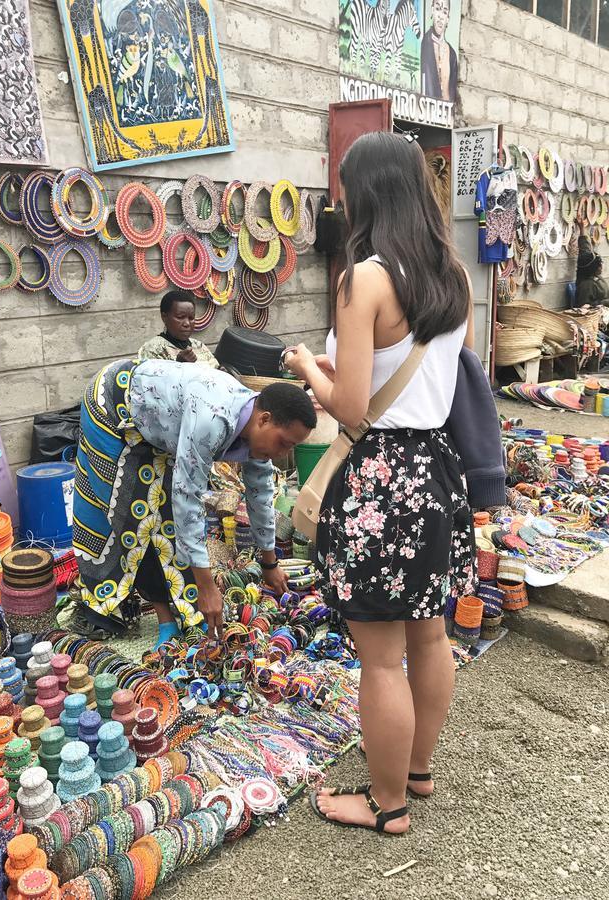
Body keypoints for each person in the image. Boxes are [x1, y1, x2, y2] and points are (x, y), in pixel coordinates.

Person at [285, 131, 476, 835]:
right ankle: (416, 772)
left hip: (379, 484)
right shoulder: (451, 277)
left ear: (364, 192)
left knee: (381, 657)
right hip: (435, 469)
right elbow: (440, 380)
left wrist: (309, 366)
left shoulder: (363, 277)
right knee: (429, 638)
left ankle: (385, 804)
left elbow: (352, 407)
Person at [72, 359, 316, 645]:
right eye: (284, 443)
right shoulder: (211, 421)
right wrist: (207, 586)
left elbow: (260, 495)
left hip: (157, 422)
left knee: (165, 512)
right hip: (112, 407)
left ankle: (187, 611)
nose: (282, 453)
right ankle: (164, 617)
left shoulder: (254, 427)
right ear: (264, 419)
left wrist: (269, 563)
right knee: (132, 513)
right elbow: (187, 501)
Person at [138, 290, 219, 366]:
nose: (187, 323)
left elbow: (216, 371)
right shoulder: (153, 349)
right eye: (180, 317)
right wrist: (179, 365)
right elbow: (150, 379)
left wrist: (223, 371)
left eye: (191, 318)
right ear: (164, 317)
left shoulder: (199, 346)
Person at [420, 0, 457, 103]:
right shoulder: (425, 43)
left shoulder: (452, 54)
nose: (441, 16)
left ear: (448, 18)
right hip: (428, 112)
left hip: (447, 115)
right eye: (437, 9)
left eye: (444, 12)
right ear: (432, 10)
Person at [576, 219, 609, 308]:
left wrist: (582, 228)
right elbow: (584, 308)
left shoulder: (594, 274)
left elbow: (585, 248)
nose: (602, 267)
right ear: (593, 268)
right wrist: (604, 303)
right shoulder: (587, 285)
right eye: (599, 266)